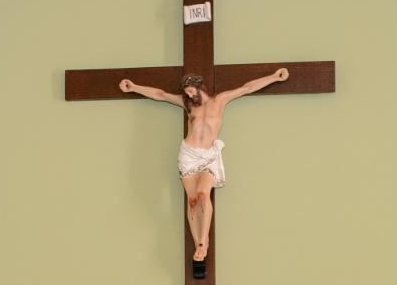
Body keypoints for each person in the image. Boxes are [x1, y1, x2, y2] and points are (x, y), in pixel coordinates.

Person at [118, 68, 290, 267]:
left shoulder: (220, 100)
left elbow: (247, 88)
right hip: (189, 155)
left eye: (191, 91)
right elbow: (161, 94)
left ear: (200, 86)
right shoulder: (188, 105)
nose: (190, 96)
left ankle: (203, 240)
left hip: (208, 156)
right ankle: (198, 244)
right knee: (192, 201)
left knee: (202, 194)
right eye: (187, 93)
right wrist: (134, 87)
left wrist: (274, 77)